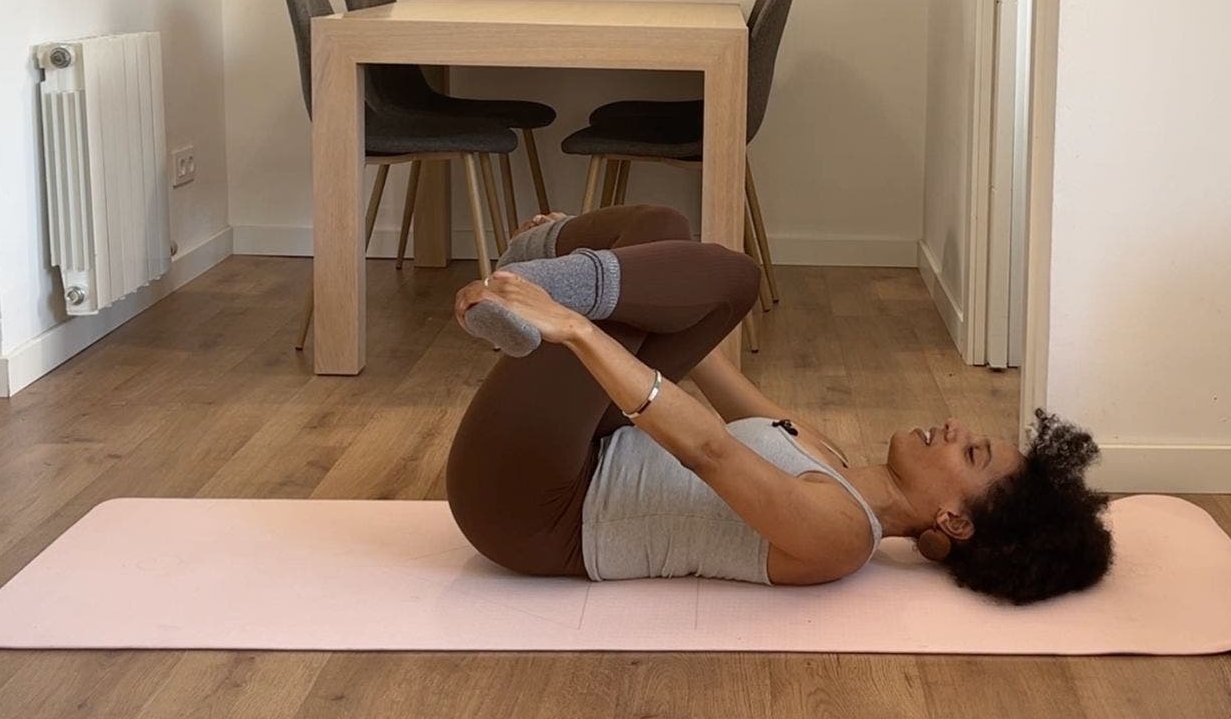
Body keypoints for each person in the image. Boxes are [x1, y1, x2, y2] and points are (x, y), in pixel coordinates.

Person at [444, 204, 1113, 603]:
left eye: (973, 453)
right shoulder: (827, 455)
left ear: (954, 522)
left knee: (732, 277)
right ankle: (535, 262)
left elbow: (707, 449)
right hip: (578, 452)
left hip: (533, 509)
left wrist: (577, 325)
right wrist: (638, 273)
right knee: (669, 232)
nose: (956, 426)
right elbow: (702, 354)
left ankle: (534, 279)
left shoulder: (841, 539)